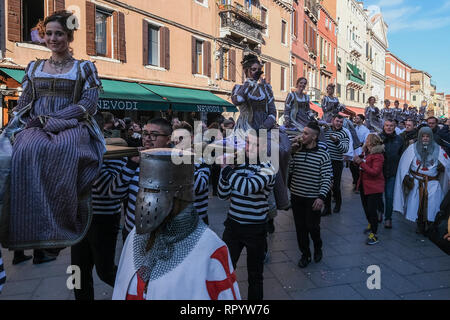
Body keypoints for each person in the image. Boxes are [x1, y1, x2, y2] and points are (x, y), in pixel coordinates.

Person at [3, 11, 104, 250]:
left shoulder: (84, 68)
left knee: (67, 149)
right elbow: (25, 100)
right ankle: (31, 224)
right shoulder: (34, 67)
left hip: (73, 124)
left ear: (69, 37)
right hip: (36, 123)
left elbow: (88, 104)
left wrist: (56, 119)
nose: (53, 38)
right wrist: (18, 122)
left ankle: (63, 220)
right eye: (48, 33)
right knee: (26, 148)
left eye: (59, 33)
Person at [112, 148, 240, 300]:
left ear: (177, 195)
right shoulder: (135, 236)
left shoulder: (209, 248)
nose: (144, 200)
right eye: (143, 190)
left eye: (153, 192)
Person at [70, 113, 139, 300]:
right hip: (79, 217)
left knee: (105, 270)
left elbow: (109, 189)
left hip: (103, 219)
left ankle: (138, 294)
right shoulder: (77, 151)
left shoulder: (113, 152)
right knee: (76, 271)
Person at [218, 133, 276, 300]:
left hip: (255, 228)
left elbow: (246, 187)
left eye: (253, 144)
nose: (247, 147)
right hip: (232, 226)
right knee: (225, 270)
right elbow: (223, 194)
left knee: (255, 276)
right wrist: (226, 171)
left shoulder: (268, 168)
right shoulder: (239, 165)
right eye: (247, 143)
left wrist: (227, 170)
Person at [231, 54, 291, 210]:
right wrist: (249, 83)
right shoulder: (239, 88)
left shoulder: (266, 88)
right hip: (245, 129)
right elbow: (238, 100)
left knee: (280, 150)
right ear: (246, 71)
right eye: (253, 70)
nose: (256, 73)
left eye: (259, 70)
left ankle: (279, 198)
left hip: (264, 128)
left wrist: (264, 126)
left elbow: (272, 112)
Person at [122, 118, 173, 242]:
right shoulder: (134, 161)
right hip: (131, 233)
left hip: (163, 237)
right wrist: (132, 164)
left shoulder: (178, 162)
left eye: (154, 135)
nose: (148, 138)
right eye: (145, 134)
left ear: (168, 139)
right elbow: (114, 193)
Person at [289, 122, 332, 267]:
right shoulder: (297, 151)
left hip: (313, 198)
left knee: (312, 227)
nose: (302, 136)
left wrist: (321, 197)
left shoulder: (323, 153)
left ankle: (318, 246)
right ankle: (305, 254)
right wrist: (290, 153)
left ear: (314, 137)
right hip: (296, 196)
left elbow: (327, 176)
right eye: (303, 132)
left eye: (306, 133)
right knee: (300, 228)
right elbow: (287, 171)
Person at [393, 127, 450, 234]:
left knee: (433, 205)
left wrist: (442, 167)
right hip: (416, 182)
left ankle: (430, 224)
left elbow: (447, 164)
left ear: (431, 137)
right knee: (417, 205)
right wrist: (406, 177)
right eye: (423, 136)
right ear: (419, 136)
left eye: (427, 136)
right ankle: (420, 224)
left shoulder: (439, 149)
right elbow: (404, 166)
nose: (425, 138)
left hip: (433, 183)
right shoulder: (411, 149)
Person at [353, 134, 385, 245]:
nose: (365, 141)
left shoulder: (378, 156)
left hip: (374, 187)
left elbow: (375, 172)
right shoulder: (366, 153)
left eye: (367, 140)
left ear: (371, 142)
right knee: (366, 209)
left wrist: (361, 163)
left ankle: (374, 233)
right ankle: (371, 224)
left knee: (372, 210)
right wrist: (357, 161)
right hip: (364, 186)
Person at [379, 119, 404, 228]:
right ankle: (380, 211)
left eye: (391, 126)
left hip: (393, 172)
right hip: (379, 172)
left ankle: (388, 218)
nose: (389, 127)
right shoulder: (378, 138)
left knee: (389, 196)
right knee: (378, 196)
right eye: (387, 125)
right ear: (383, 126)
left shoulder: (399, 139)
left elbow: (402, 156)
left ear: (395, 127)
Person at [323, 115, 350, 214]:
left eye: (341, 122)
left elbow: (345, 149)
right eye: (337, 121)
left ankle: (338, 204)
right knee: (325, 185)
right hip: (326, 161)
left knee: (336, 186)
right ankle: (327, 208)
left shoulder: (344, 133)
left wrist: (337, 141)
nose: (339, 123)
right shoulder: (326, 130)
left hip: (337, 162)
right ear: (332, 121)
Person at [350, 114, 370, 192]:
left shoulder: (365, 130)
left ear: (362, 120)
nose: (356, 119)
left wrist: (363, 149)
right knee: (352, 167)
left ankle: (359, 184)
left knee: (358, 168)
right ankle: (355, 181)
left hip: (360, 150)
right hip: (353, 150)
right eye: (356, 118)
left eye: (358, 118)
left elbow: (366, 141)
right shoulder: (354, 128)